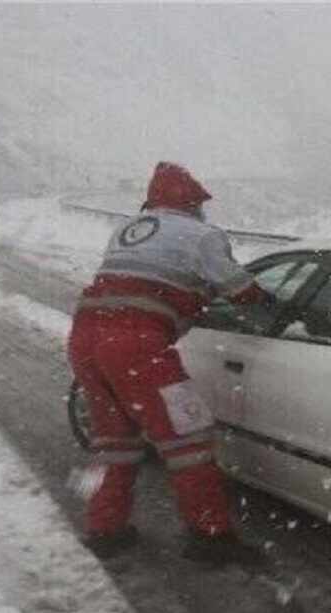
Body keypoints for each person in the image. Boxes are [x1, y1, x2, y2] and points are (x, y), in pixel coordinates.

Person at [68, 161, 269, 562]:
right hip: (138, 345)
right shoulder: (203, 236)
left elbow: (146, 278)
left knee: (117, 441)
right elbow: (238, 288)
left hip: (85, 338)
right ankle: (211, 538)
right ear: (193, 203)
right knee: (188, 439)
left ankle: (105, 529)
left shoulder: (125, 230)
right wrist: (268, 304)